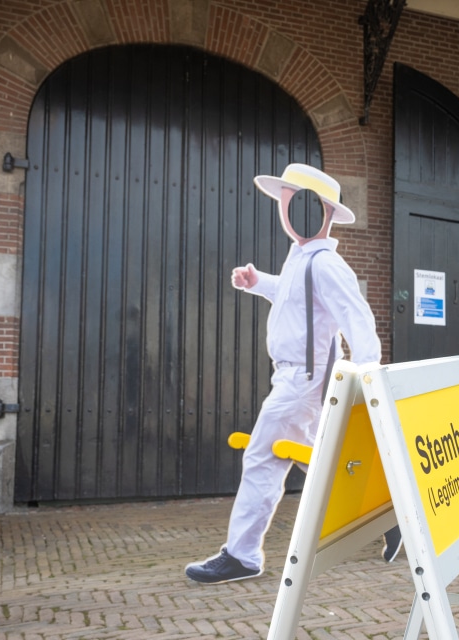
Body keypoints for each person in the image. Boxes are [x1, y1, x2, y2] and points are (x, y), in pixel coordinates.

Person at [185, 164, 399, 583]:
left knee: (263, 457)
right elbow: (292, 292)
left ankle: (242, 556)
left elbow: (360, 323)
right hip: (301, 379)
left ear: (308, 208)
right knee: (323, 462)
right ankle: (391, 516)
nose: (282, 206)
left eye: (288, 198)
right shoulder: (302, 259)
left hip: (304, 381)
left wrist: (366, 377)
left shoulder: (325, 264)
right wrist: (257, 281)